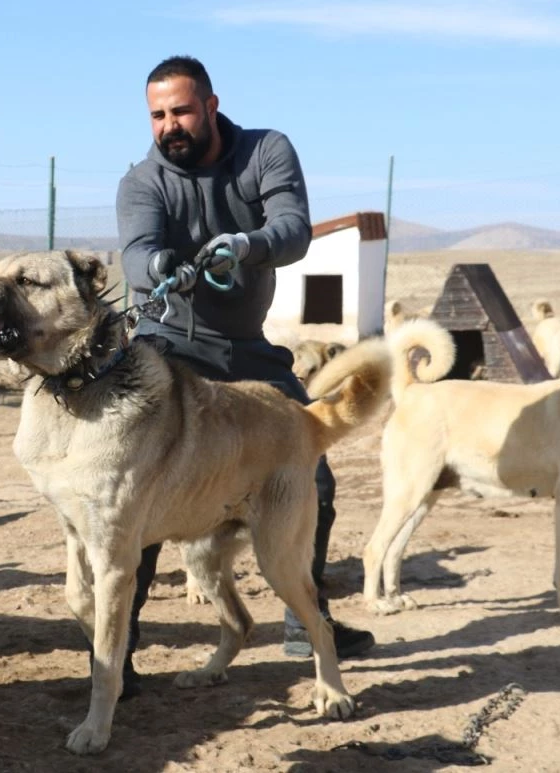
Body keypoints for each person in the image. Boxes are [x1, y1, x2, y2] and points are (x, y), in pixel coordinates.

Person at [114, 55, 374, 698]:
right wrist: (162, 266)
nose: (169, 125)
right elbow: (137, 252)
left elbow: (293, 230)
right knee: (141, 491)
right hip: (169, 348)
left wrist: (247, 245)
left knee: (312, 474)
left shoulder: (266, 151)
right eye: (157, 115)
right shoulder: (142, 180)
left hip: (248, 349)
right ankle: (119, 654)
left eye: (181, 110)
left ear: (210, 105)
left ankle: (304, 621)